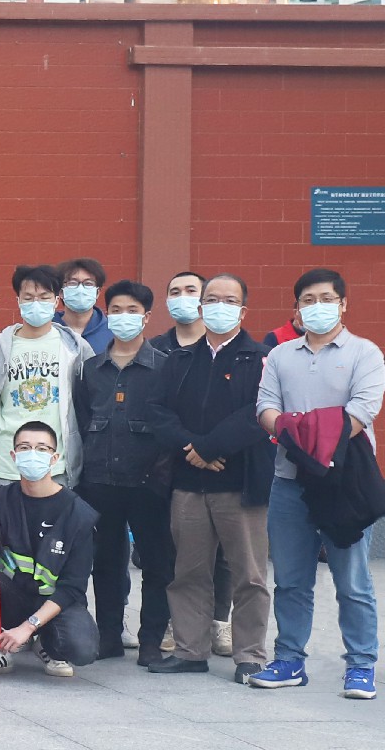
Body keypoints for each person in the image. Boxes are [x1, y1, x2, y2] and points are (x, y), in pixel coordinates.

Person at [251, 268, 381, 699]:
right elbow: (266, 409)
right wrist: (297, 433)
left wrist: (299, 432)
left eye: (326, 299)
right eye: (308, 300)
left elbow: (361, 412)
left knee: (352, 582)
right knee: (290, 580)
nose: (317, 307)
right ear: (297, 308)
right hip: (289, 483)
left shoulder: (365, 353)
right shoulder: (281, 355)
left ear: (343, 304)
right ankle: (289, 659)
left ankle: (360, 665)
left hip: (345, 484)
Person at [149, 273, 272, 683]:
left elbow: (259, 412)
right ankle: (190, 651)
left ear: (243, 310)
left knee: (249, 575)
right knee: (188, 572)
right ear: (202, 307)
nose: (220, 306)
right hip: (188, 484)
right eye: (212, 299)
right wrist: (193, 448)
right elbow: (158, 411)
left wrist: (211, 447)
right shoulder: (180, 359)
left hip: (240, 485)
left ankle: (250, 655)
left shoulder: (261, 358)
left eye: (229, 300)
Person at [74, 280, 187, 666]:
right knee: (106, 562)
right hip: (99, 481)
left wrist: (161, 476)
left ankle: (151, 640)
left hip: (149, 483)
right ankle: (108, 636)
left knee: (157, 563)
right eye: (117, 310)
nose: (125, 317)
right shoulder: (90, 369)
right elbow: (82, 420)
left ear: (147, 317)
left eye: (133, 311)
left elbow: (172, 425)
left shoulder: (166, 368)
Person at [0, 421, 101, 679]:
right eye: (24, 447)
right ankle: (0, 648)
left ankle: (45, 643)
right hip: (10, 595)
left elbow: (73, 587)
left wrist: (29, 626)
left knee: (81, 649)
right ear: (13, 456)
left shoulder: (78, 514)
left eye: (42, 449)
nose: (32, 454)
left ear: (54, 458)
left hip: (53, 602)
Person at [0, 264, 94, 483]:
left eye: (44, 297)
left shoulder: (75, 347)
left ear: (56, 301)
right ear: (18, 301)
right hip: (6, 466)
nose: (36, 303)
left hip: (56, 465)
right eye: (29, 297)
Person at [58, 258, 114, 353]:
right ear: (61, 292)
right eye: (73, 283)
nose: (80, 289)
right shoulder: (47, 329)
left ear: (97, 292)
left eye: (88, 283)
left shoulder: (113, 331)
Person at [149, 271, 207, 358]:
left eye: (191, 291)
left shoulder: (220, 346)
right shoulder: (153, 349)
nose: (182, 297)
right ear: (167, 302)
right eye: (175, 293)